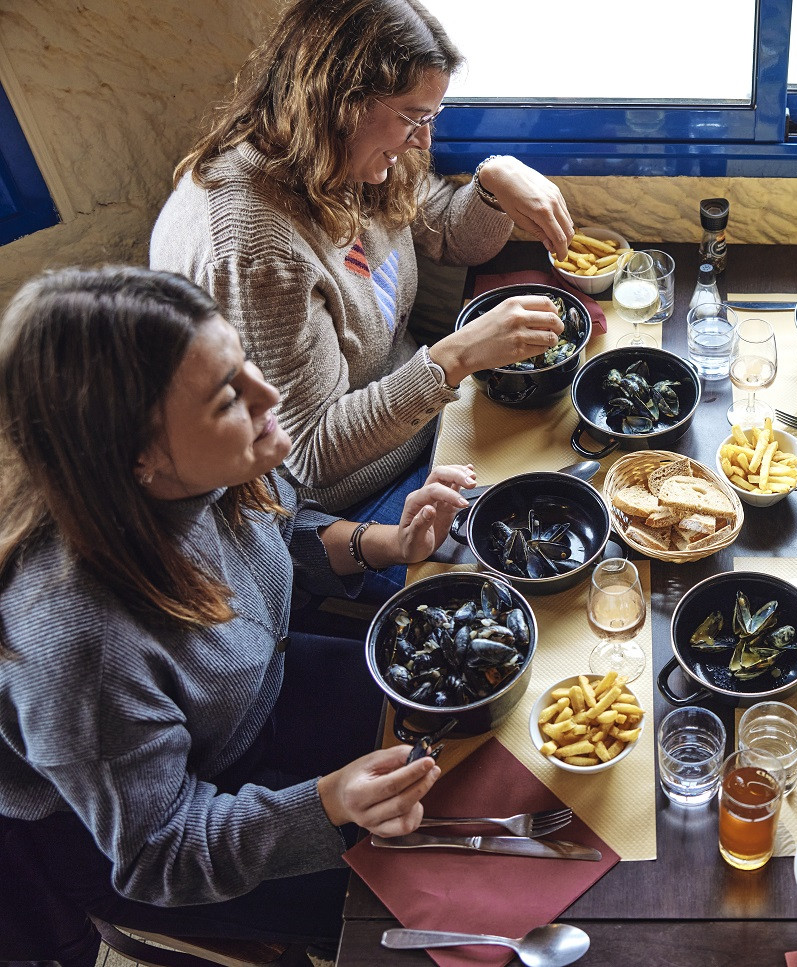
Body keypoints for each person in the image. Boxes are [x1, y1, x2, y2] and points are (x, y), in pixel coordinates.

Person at [0, 267, 477, 945]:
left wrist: (389, 541)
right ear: (139, 458)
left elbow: (278, 528)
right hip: (158, 837)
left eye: (245, 363)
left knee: (471, 738)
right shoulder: (80, 644)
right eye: (229, 396)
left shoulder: (212, 467)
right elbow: (157, 850)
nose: (269, 395)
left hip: (258, 693)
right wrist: (327, 803)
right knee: (437, 897)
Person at [151, 0, 574, 527]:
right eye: (413, 118)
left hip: (427, 422)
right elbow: (310, 454)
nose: (423, 139)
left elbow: (449, 236)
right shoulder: (256, 245)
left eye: (431, 118)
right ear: (340, 101)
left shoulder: (346, 154)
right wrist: (454, 359)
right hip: (343, 502)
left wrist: (495, 180)